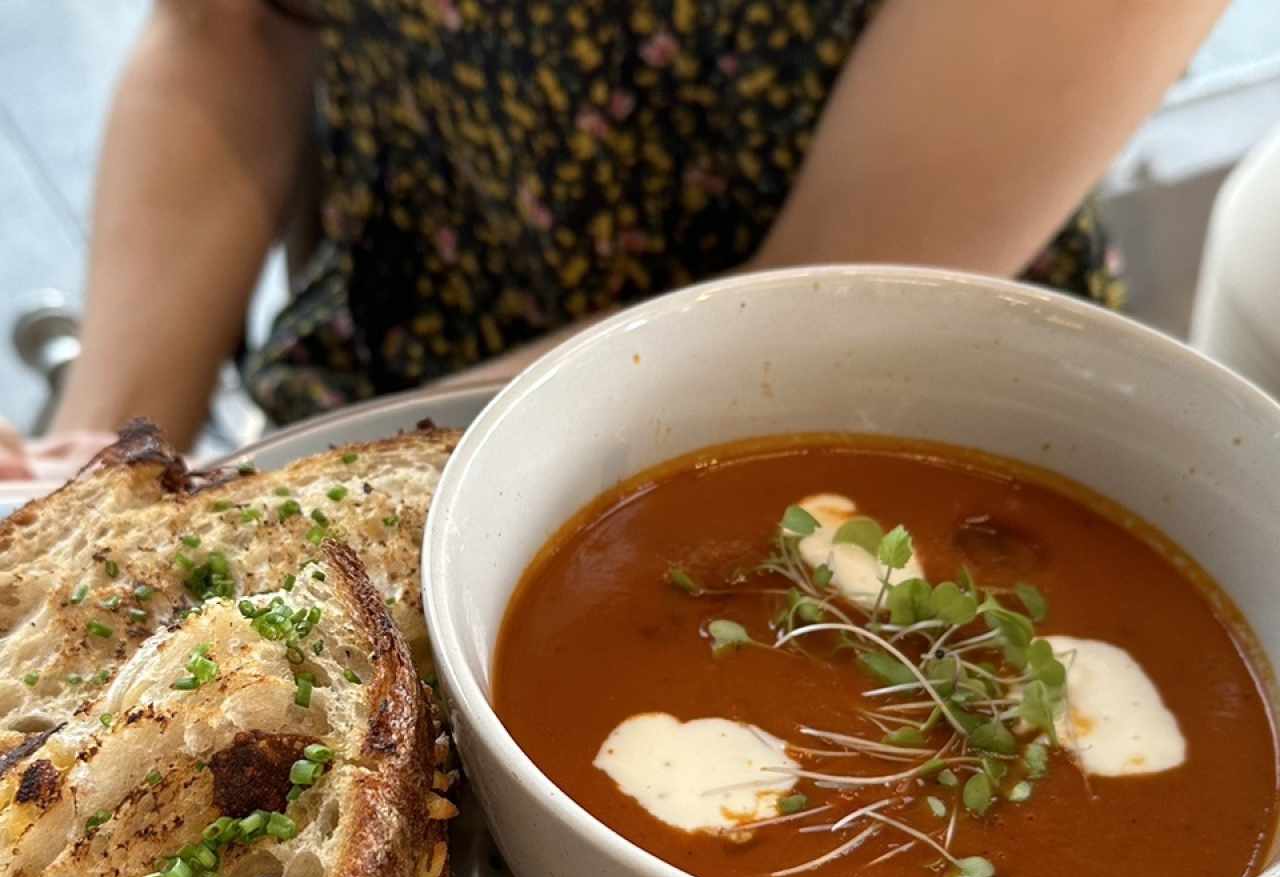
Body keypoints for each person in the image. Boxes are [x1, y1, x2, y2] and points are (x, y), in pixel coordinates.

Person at [1, 0, 1228, 477]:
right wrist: (110, 465)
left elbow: (825, 294)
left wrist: (256, 496)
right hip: (384, 388)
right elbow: (231, 34)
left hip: (843, 443)